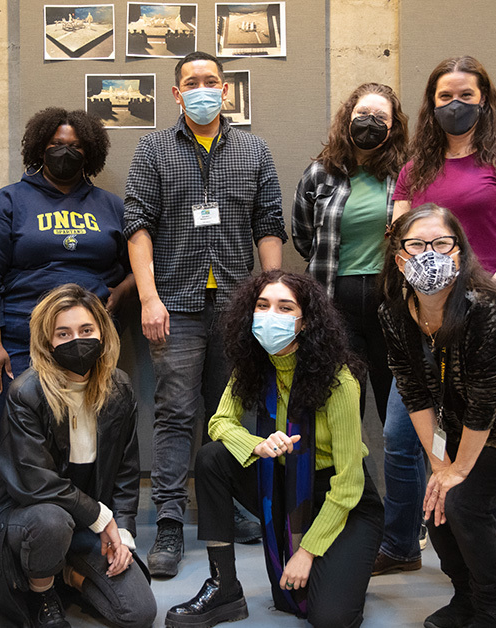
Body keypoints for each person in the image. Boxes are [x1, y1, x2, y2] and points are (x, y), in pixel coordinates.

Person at [124, 50, 286, 577]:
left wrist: (272, 294)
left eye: (210, 80)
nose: (201, 89)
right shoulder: (152, 151)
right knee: (175, 412)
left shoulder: (254, 151)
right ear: (176, 93)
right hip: (176, 303)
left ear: (225, 89)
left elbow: (269, 224)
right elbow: (138, 227)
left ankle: (230, 507)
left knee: (229, 413)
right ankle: (169, 520)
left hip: (239, 305)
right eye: (190, 82)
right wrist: (149, 297)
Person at [387, 55, 496, 568]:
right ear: (430, 105)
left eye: (466, 96)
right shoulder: (417, 168)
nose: (454, 105)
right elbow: (400, 237)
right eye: (444, 97)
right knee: (403, 432)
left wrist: (484, 299)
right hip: (426, 314)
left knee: (492, 438)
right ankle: (405, 543)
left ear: (484, 99)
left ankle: (490, 559)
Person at [380, 204, 496, 628]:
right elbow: (414, 394)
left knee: (462, 499)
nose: (429, 253)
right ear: (399, 258)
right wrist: (437, 464)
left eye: (441, 243)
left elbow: (487, 400)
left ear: (459, 253)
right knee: (435, 500)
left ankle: (494, 611)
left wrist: (457, 470)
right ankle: (464, 598)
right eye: (416, 244)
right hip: (463, 421)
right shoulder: (393, 313)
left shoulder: (485, 307)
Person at [166, 270, 385, 628]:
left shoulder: (339, 379)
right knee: (212, 458)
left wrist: (308, 552)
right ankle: (223, 585)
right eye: (262, 305)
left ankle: (338, 558)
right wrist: (259, 445)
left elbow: (348, 483)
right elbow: (219, 423)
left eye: (285, 308)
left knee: (329, 617)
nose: (270, 316)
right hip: (280, 482)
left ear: (305, 322)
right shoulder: (253, 366)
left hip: (340, 498)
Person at [0, 285, 155, 628]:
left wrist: (124, 535)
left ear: (103, 331)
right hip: (29, 521)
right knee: (53, 521)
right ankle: (41, 592)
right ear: (47, 342)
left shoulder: (119, 388)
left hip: (87, 524)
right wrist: (102, 518)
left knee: (138, 612)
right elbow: (35, 482)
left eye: (86, 330)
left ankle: (66, 577)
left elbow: (127, 474)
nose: (77, 340)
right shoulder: (26, 392)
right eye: (63, 333)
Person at [290, 83, 416, 575]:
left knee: (399, 423)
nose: (370, 122)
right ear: (347, 119)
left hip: (394, 307)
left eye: (380, 116)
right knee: (339, 417)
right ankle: (350, 515)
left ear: (394, 125)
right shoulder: (321, 172)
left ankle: (407, 528)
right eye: (362, 113)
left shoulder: (407, 175)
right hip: (335, 306)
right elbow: (302, 233)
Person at [0, 107, 133, 452]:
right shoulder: (10, 200)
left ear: (89, 152)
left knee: (78, 435)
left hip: (85, 339)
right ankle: (18, 503)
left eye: (75, 146)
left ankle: (71, 503)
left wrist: (120, 292)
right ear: (39, 148)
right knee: (5, 427)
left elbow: (140, 265)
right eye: (56, 143)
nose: (65, 152)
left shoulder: (110, 206)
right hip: (16, 336)